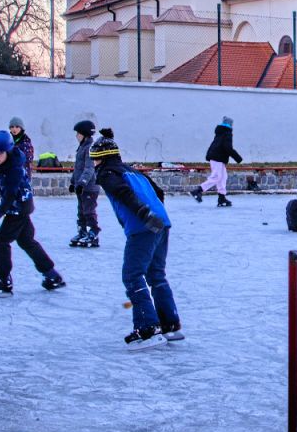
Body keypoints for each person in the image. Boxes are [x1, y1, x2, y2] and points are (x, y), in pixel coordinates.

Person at [90, 128, 181, 350]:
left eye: (93, 160)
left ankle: (148, 327)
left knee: (132, 275)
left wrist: (143, 215)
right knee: (156, 274)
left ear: (101, 159)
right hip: (162, 223)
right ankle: (170, 324)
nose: (92, 165)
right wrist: (156, 214)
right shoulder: (133, 171)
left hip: (144, 227)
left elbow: (123, 194)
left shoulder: (108, 174)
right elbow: (159, 192)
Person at [0, 130, 65, 295]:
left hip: (18, 208)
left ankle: (3, 280)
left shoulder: (15, 169)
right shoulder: (0, 163)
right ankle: (52, 275)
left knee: (1, 240)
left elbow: (9, 199)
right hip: (21, 206)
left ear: (8, 151)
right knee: (27, 241)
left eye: (0, 153)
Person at [190, 116, 241, 207]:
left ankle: (222, 198)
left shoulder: (220, 132)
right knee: (217, 177)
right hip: (217, 158)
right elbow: (228, 148)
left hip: (217, 157)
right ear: (230, 124)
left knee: (223, 177)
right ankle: (198, 191)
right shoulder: (227, 133)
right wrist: (238, 158)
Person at [69, 120, 101, 247]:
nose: (76, 136)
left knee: (88, 211)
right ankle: (82, 232)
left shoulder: (90, 149)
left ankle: (93, 233)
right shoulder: (82, 147)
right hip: (81, 187)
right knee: (81, 212)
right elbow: (78, 168)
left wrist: (82, 183)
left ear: (85, 135)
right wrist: (73, 182)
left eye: (78, 133)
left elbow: (89, 168)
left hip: (90, 187)